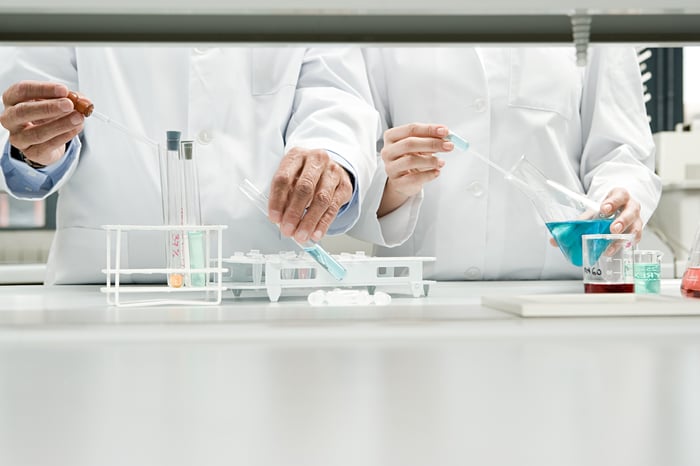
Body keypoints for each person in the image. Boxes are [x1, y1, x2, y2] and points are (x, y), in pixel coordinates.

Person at [0, 46, 378, 284]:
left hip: (267, 281)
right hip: (108, 284)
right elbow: (27, 98)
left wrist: (329, 157)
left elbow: (334, 92)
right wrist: (37, 144)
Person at [350, 46, 662, 280]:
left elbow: (622, 151)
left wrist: (617, 200)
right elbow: (354, 159)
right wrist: (393, 186)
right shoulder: (384, 15)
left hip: (551, 300)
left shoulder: (590, 12)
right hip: (419, 297)